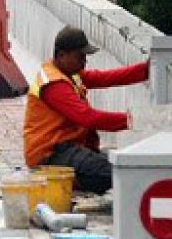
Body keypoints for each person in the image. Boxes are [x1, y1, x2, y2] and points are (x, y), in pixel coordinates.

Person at [23, 25, 149, 194]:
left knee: (119, 166)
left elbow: (106, 78)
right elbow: (88, 118)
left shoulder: (70, 73)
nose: (85, 61)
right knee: (114, 172)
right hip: (49, 155)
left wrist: (146, 70)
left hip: (66, 147)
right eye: (80, 56)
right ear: (62, 55)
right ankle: (69, 182)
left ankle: (75, 179)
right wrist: (136, 120)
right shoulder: (54, 84)